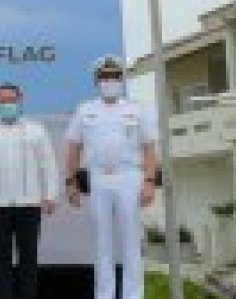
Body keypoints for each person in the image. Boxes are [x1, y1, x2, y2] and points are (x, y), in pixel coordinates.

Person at [66, 57, 159, 299]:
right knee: (102, 244)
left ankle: (133, 295)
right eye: (105, 77)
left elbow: (150, 148)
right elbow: (73, 147)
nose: (110, 81)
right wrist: (71, 183)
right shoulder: (85, 110)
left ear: (121, 80)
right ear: (96, 81)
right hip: (98, 179)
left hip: (129, 177)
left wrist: (149, 181)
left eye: (114, 77)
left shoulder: (136, 109)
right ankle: (104, 295)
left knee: (131, 243)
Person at [0, 83, 60, 299]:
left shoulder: (37, 130)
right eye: (3, 100)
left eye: (12, 100)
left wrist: (51, 195)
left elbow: (49, 164)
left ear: (20, 101)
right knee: (1, 259)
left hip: (29, 204)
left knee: (28, 258)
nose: (8, 104)